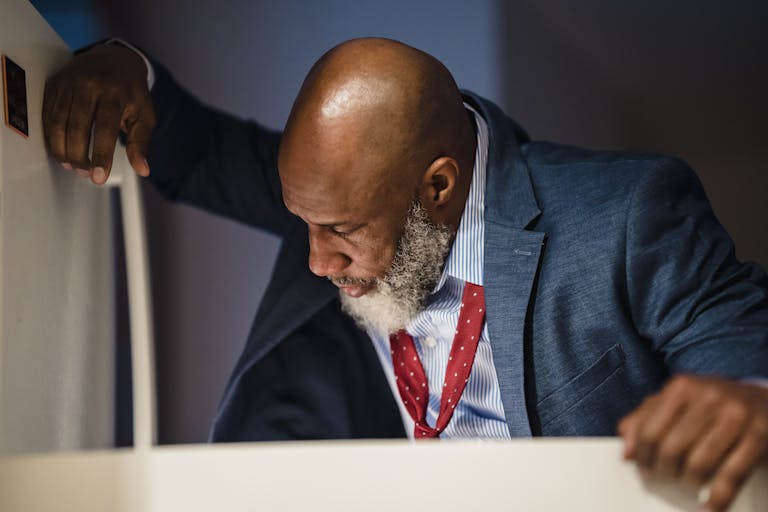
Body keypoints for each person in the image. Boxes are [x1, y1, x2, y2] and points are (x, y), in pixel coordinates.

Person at [44, 37, 768, 511]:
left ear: (439, 188)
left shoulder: (625, 212)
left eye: (343, 234)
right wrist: (120, 67)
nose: (316, 263)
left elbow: (736, 329)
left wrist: (746, 391)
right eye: (304, 223)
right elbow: (197, 148)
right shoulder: (331, 190)